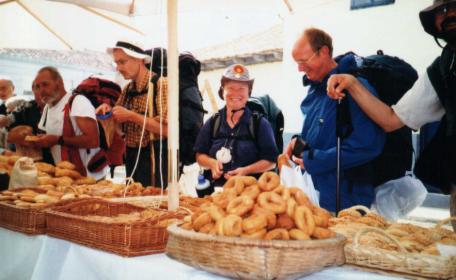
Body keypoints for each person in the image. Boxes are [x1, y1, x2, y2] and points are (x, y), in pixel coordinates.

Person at [326, 0, 456, 227]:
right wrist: (353, 84)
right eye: (442, 10)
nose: (449, 13)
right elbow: (392, 119)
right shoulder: (444, 68)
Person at [283, 28, 385, 212]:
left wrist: (313, 160)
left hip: (347, 201)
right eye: (297, 62)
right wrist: (297, 143)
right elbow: (320, 136)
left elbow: (367, 145)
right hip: (316, 194)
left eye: (303, 61)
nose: (299, 69)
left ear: (323, 52)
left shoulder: (355, 87)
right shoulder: (315, 89)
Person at [193, 64, 279, 194]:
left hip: (250, 194)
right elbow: (199, 155)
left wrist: (246, 170)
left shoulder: (259, 123)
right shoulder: (213, 122)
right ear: (222, 91)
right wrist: (211, 163)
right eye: (230, 88)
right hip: (215, 194)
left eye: (241, 88)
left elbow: (271, 161)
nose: (236, 93)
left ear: (248, 92)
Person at [97, 41, 168, 187]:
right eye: (117, 63)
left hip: (155, 160)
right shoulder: (128, 89)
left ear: (139, 59)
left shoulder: (161, 84)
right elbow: (117, 125)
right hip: (132, 157)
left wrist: (131, 116)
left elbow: (167, 130)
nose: (118, 68)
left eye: (122, 62)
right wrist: (108, 112)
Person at [33, 66, 107, 180]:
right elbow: (46, 135)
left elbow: (93, 140)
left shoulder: (77, 102)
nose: (41, 91)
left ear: (59, 82)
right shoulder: (48, 107)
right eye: (38, 87)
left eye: (45, 84)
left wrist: (58, 140)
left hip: (90, 178)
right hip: (67, 176)